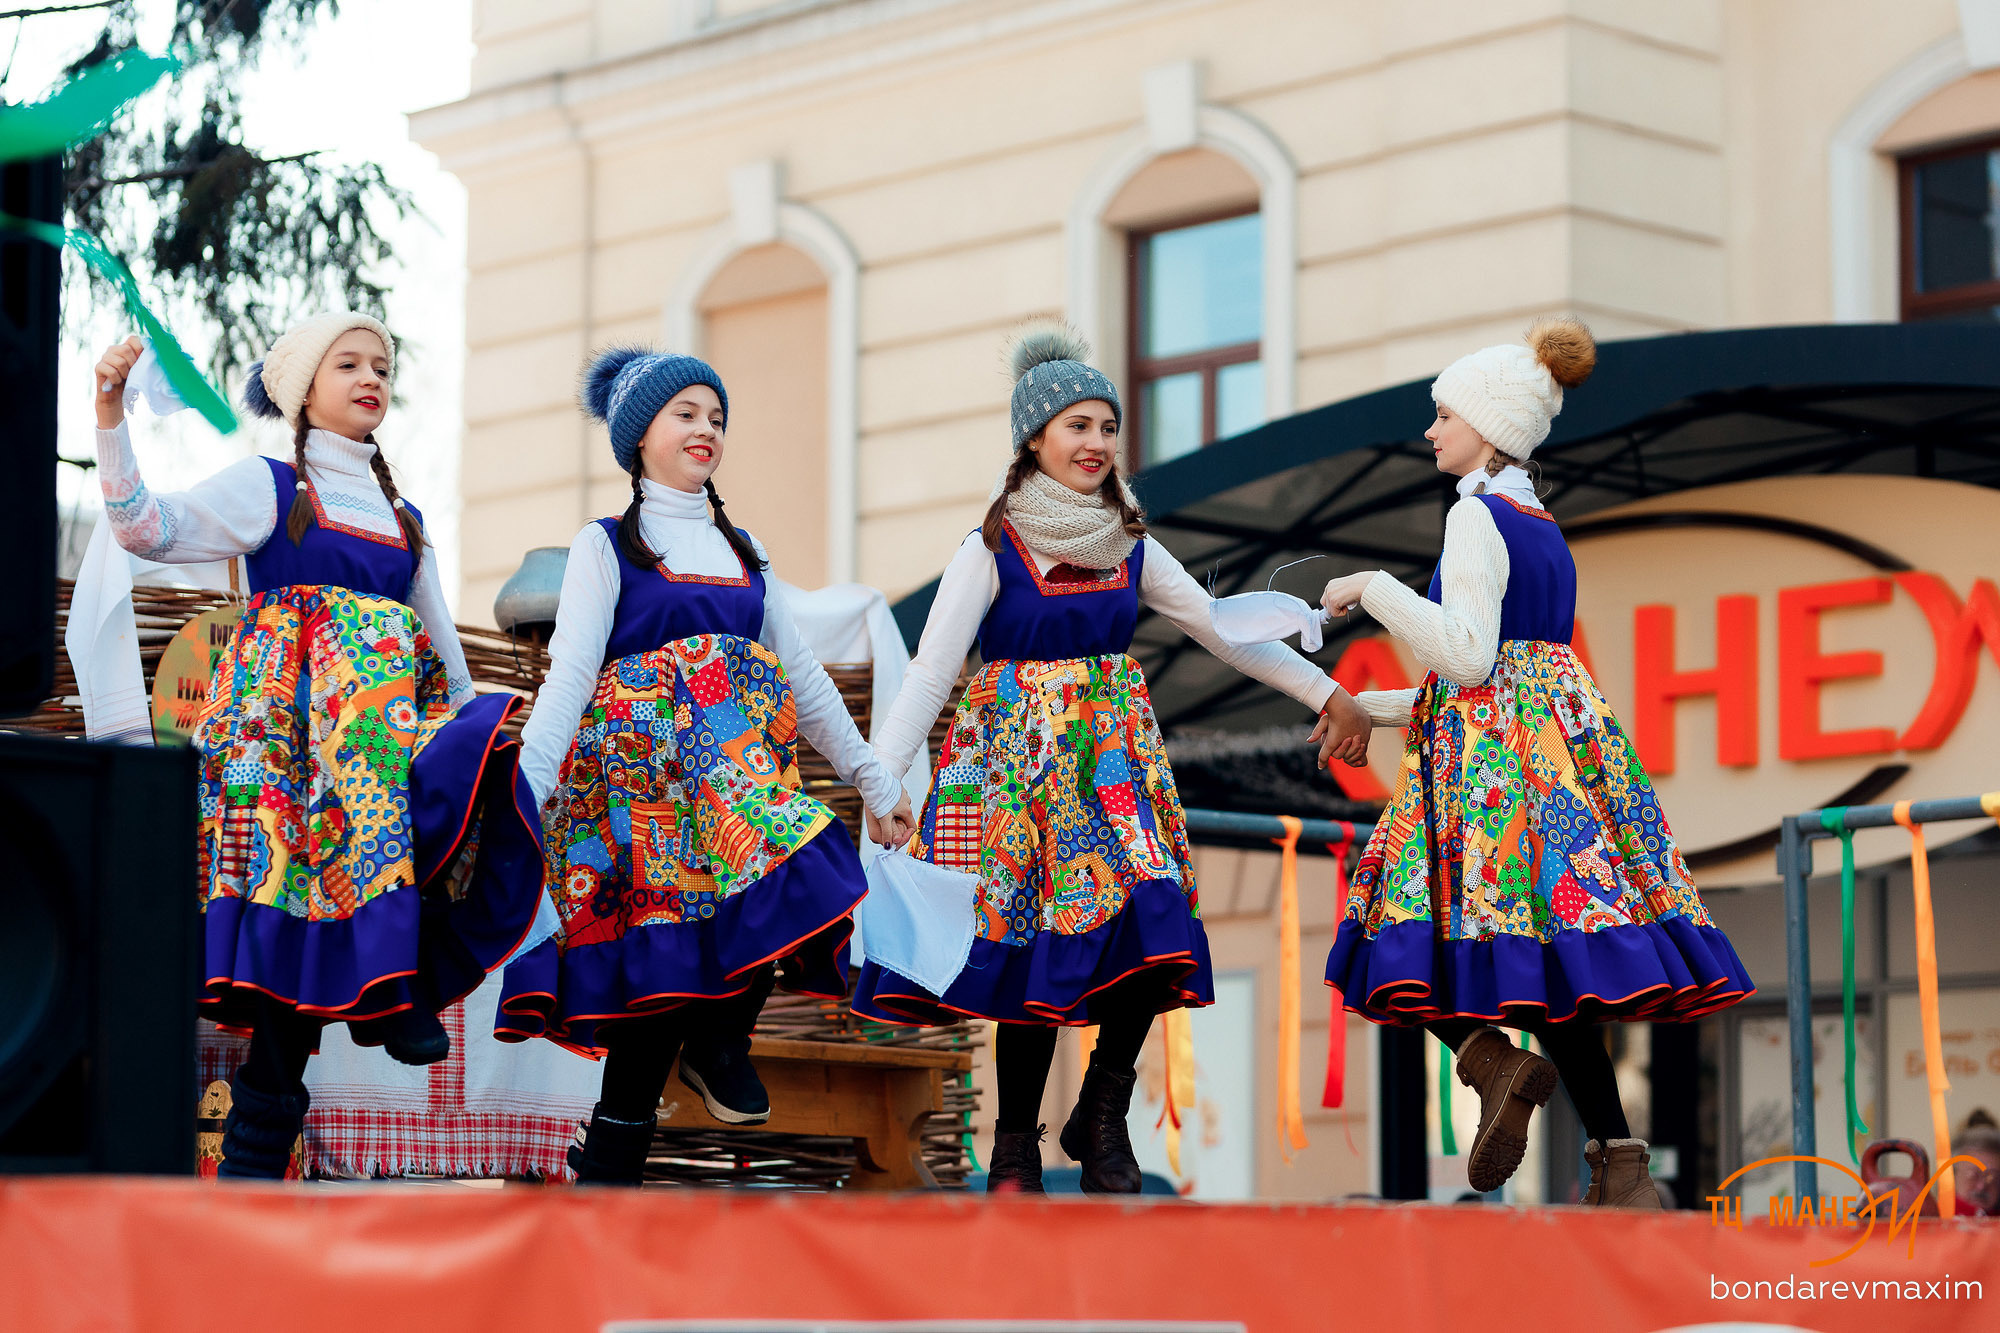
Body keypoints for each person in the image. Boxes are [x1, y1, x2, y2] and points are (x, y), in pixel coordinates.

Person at [855, 323, 1372, 1194]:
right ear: (1034, 439)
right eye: (1077, 427)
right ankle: (1015, 1141)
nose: (1097, 444)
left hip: (1111, 774)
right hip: (1015, 779)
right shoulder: (989, 547)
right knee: (1024, 952)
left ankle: (1101, 1108)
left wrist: (1329, 693)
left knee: (1154, 917)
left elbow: (1227, 631)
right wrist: (881, 782)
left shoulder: (1129, 541)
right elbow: (930, 672)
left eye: (1107, 427)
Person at [90, 315, 545, 1178]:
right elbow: (145, 529)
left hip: (374, 740)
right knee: (302, 913)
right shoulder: (269, 487)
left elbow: (442, 651)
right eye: (350, 362)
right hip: (287, 746)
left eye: (383, 363)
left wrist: (464, 728)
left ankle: (390, 981)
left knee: (433, 800)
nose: (372, 375)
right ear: (305, 387)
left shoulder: (405, 518)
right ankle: (382, 994)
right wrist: (111, 413)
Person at [1318, 318, 1753, 1208]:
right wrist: (1366, 705)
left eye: (1443, 414)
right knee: (1557, 972)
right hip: (1543, 757)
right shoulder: (1538, 521)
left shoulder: (1475, 514)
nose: (1431, 430)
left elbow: (1470, 659)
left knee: (1397, 935)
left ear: (1489, 427)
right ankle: (1619, 1161)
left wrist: (1371, 588)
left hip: (1485, 779)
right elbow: (1501, 675)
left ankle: (1489, 1062)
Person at [496, 347, 917, 1185]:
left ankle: (722, 1036)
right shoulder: (606, 545)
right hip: (642, 797)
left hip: (734, 785)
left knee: (809, 856)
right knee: (659, 981)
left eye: (717, 417)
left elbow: (801, 674)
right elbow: (572, 673)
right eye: (686, 412)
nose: (706, 429)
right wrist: (524, 794)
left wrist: (874, 778)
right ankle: (611, 1169)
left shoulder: (744, 547)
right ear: (638, 435)